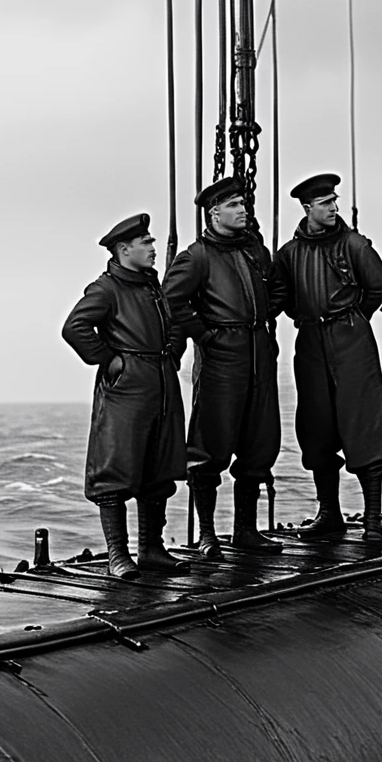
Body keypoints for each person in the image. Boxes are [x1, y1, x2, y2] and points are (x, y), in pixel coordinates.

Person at [269, 172, 382, 543]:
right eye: (325, 204)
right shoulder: (290, 253)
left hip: (351, 339)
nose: (334, 208)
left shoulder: (353, 244)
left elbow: (379, 285)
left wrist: (355, 318)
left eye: (334, 201)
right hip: (309, 341)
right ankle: (330, 512)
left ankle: (372, 518)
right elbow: (280, 295)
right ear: (308, 208)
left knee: (364, 421)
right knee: (315, 425)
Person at [162, 176, 283, 557]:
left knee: (259, 441)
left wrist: (262, 319)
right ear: (214, 212)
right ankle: (209, 534)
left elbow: (278, 288)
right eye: (234, 205)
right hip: (221, 357)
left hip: (259, 353)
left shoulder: (256, 252)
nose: (243, 210)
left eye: (243, 204)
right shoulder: (196, 256)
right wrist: (206, 334)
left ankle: (246, 530)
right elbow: (171, 301)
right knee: (211, 441)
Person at [62, 214, 188, 578]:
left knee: (158, 466)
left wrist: (173, 349)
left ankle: (151, 549)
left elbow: (173, 322)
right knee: (115, 467)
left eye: (151, 242)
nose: (152, 248)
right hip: (126, 389)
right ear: (123, 249)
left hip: (160, 383)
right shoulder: (106, 289)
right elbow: (75, 327)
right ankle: (117, 555)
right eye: (145, 243)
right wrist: (109, 360)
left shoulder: (152, 286)